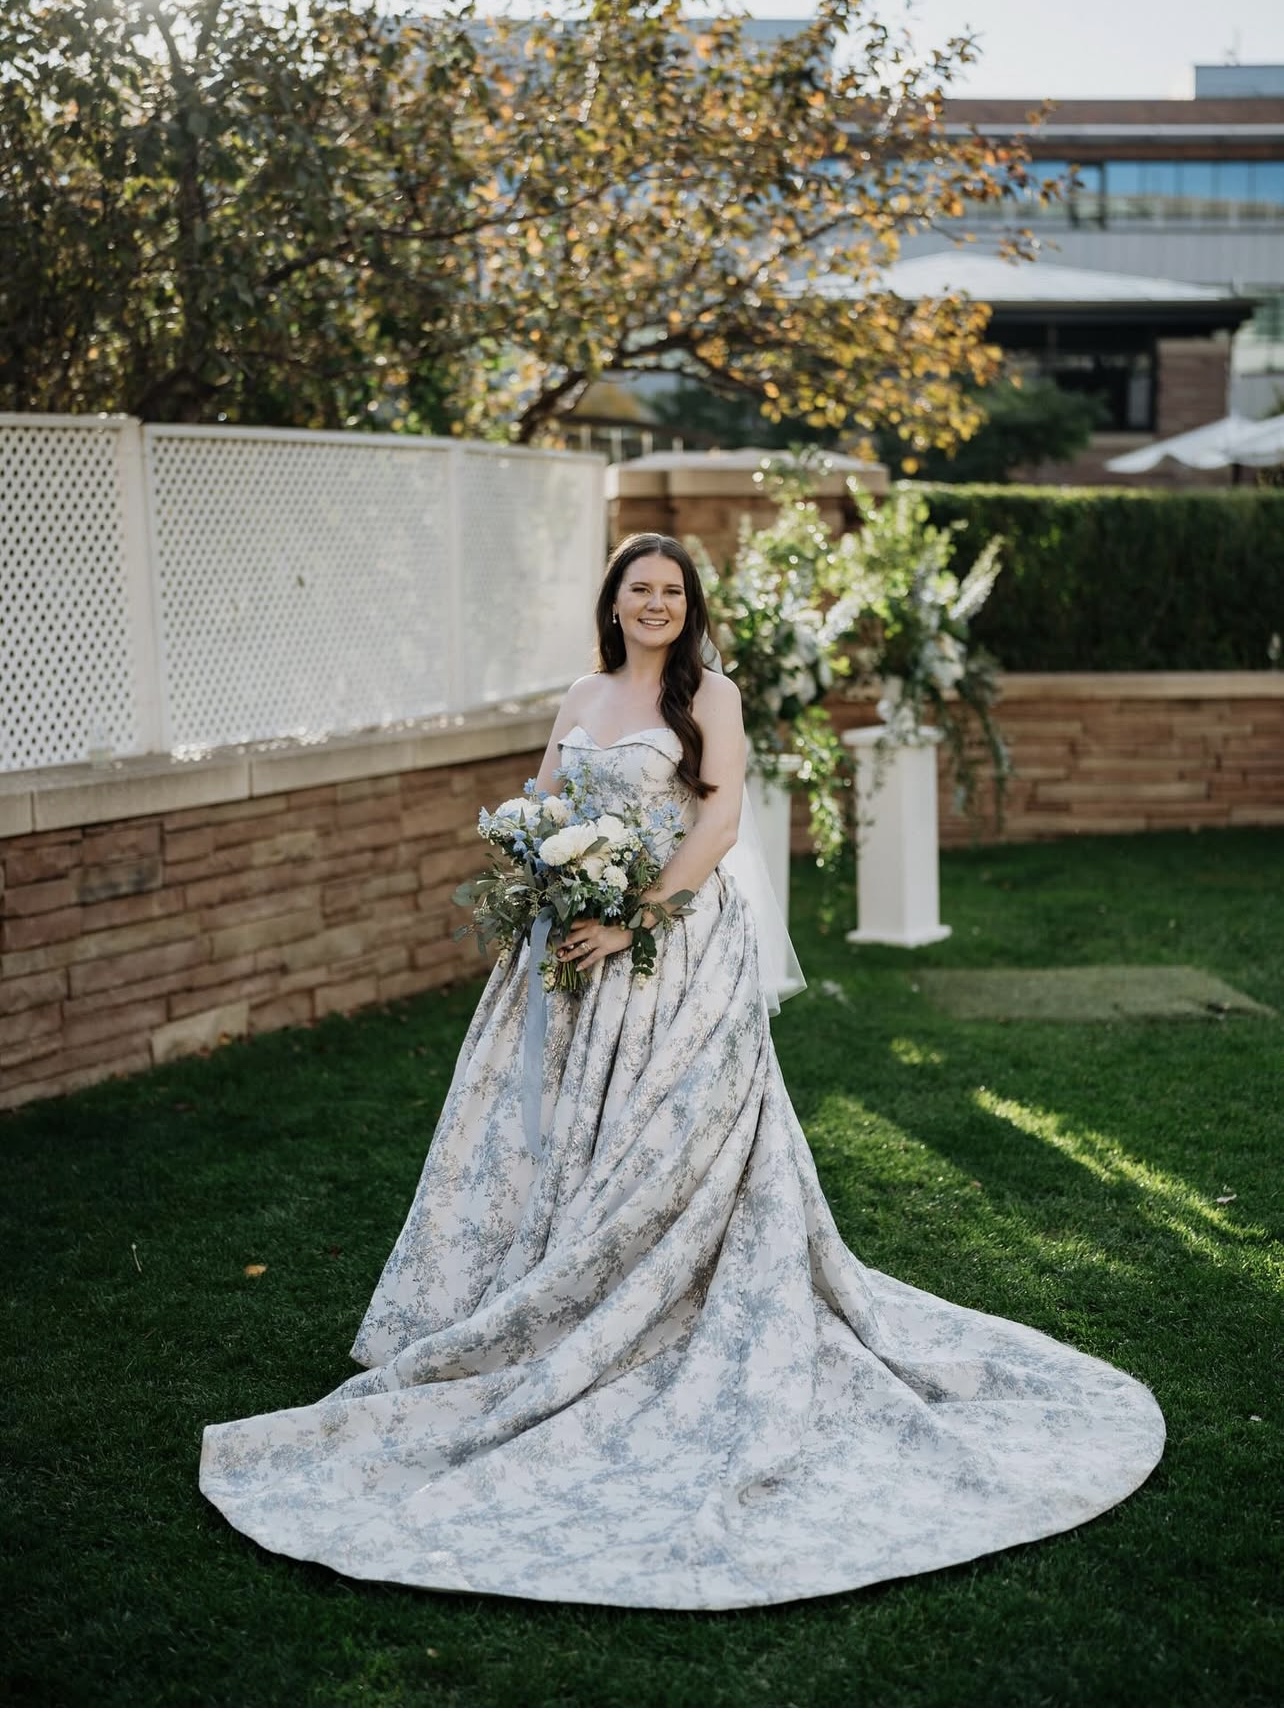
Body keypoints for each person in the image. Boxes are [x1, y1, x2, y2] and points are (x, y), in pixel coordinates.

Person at [199, 532, 1165, 1611]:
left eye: (671, 590)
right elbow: (542, 801)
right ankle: (534, 1295)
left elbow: (720, 816)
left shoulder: (711, 695)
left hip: (675, 948)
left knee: (671, 1134)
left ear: (688, 606)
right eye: (638, 589)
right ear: (613, 603)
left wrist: (635, 916)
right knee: (549, 1129)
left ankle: (656, 1298)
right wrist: (542, 882)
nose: (654, 603)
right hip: (569, 950)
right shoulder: (580, 693)